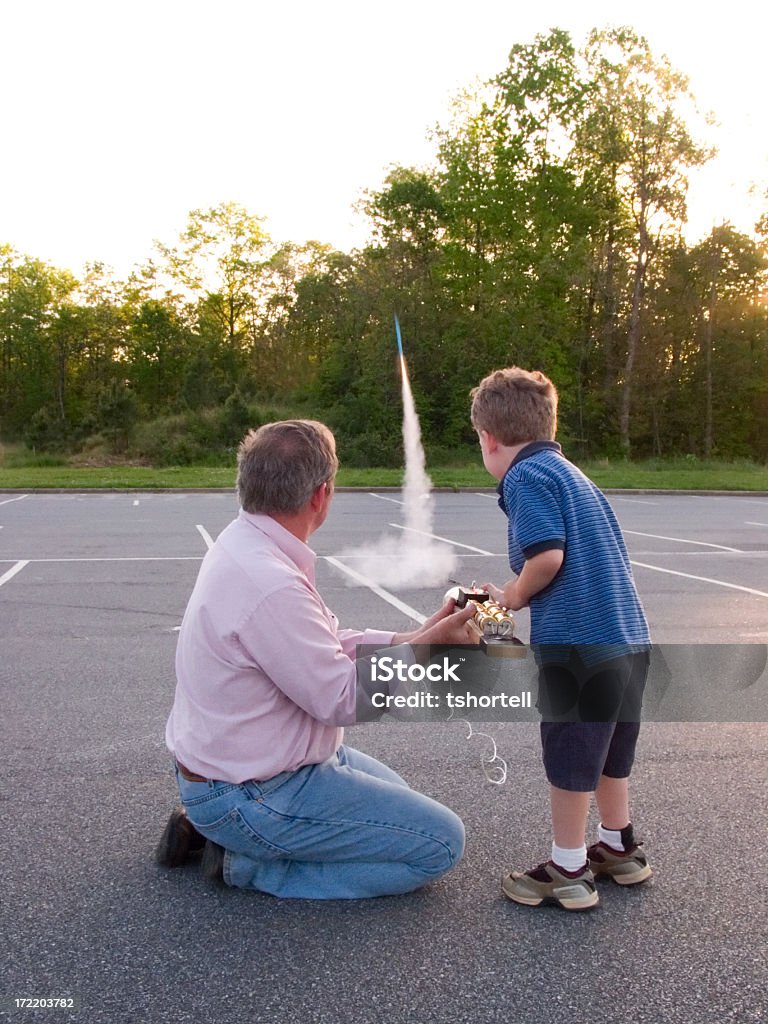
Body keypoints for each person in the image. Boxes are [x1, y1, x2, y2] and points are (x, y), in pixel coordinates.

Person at [156, 419, 474, 900]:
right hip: (253, 791)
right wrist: (428, 654)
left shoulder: (248, 545)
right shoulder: (271, 583)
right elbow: (341, 699)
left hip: (249, 769)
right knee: (438, 844)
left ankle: (223, 834)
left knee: (402, 804)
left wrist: (419, 634)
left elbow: (321, 644)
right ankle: (241, 862)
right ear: (321, 495)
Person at [470, 368, 652, 911]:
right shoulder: (572, 472)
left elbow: (547, 558)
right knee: (609, 754)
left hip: (580, 646)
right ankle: (619, 848)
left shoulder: (525, 478)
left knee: (571, 759)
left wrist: (512, 596)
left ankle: (567, 869)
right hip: (628, 637)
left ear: (489, 438)